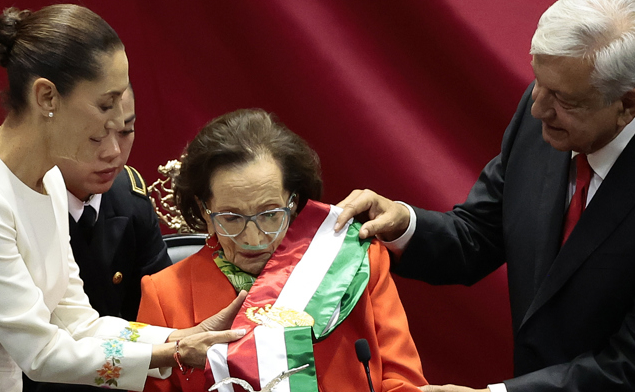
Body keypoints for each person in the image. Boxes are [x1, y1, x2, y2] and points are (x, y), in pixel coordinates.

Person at [335, 0, 635, 391]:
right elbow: (477, 236)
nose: (537, 106)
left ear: (627, 105)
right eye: (538, 81)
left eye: (562, 98)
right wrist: (403, 225)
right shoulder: (546, 114)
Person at [0, 4, 244, 392]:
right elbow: (42, 355)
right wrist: (175, 354)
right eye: (105, 103)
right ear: (47, 96)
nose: (119, 120)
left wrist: (178, 339)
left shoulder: (47, 177)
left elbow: (77, 323)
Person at [136, 109, 427, 392]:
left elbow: (403, 381)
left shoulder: (357, 261)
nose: (253, 238)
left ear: (294, 202)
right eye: (231, 217)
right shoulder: (164, 296)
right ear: (204, 210)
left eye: (269, 213)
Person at [23, 85, 173, 392]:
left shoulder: (129, 199)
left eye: (126, 131)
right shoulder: (16, 205)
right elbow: (34, 354)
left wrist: (181, 341)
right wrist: (173, 349)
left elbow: (156, 311)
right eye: (95, 137)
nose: (113, 152)